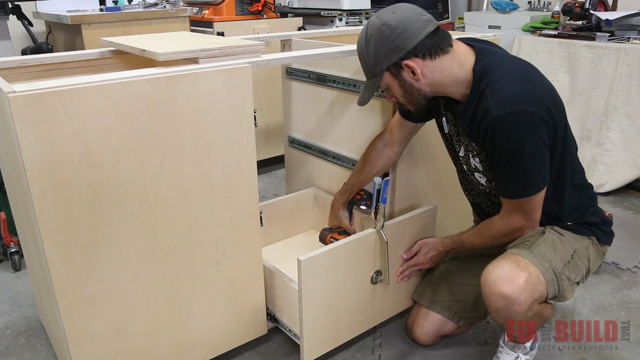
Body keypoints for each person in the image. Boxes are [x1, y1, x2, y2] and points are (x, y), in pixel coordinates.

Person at [327, 3, 614, 360]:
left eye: (386, 88)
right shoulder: (444, 75)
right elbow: (390, 142)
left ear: (412, 69)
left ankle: (525, 327)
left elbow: (522, 220)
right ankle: (526, 297)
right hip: (500, 223)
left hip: (562, 227)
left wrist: (445, 245)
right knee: (423, 330)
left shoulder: (511, 106)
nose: (389, 98)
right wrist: (342, 196)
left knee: (505, 290)